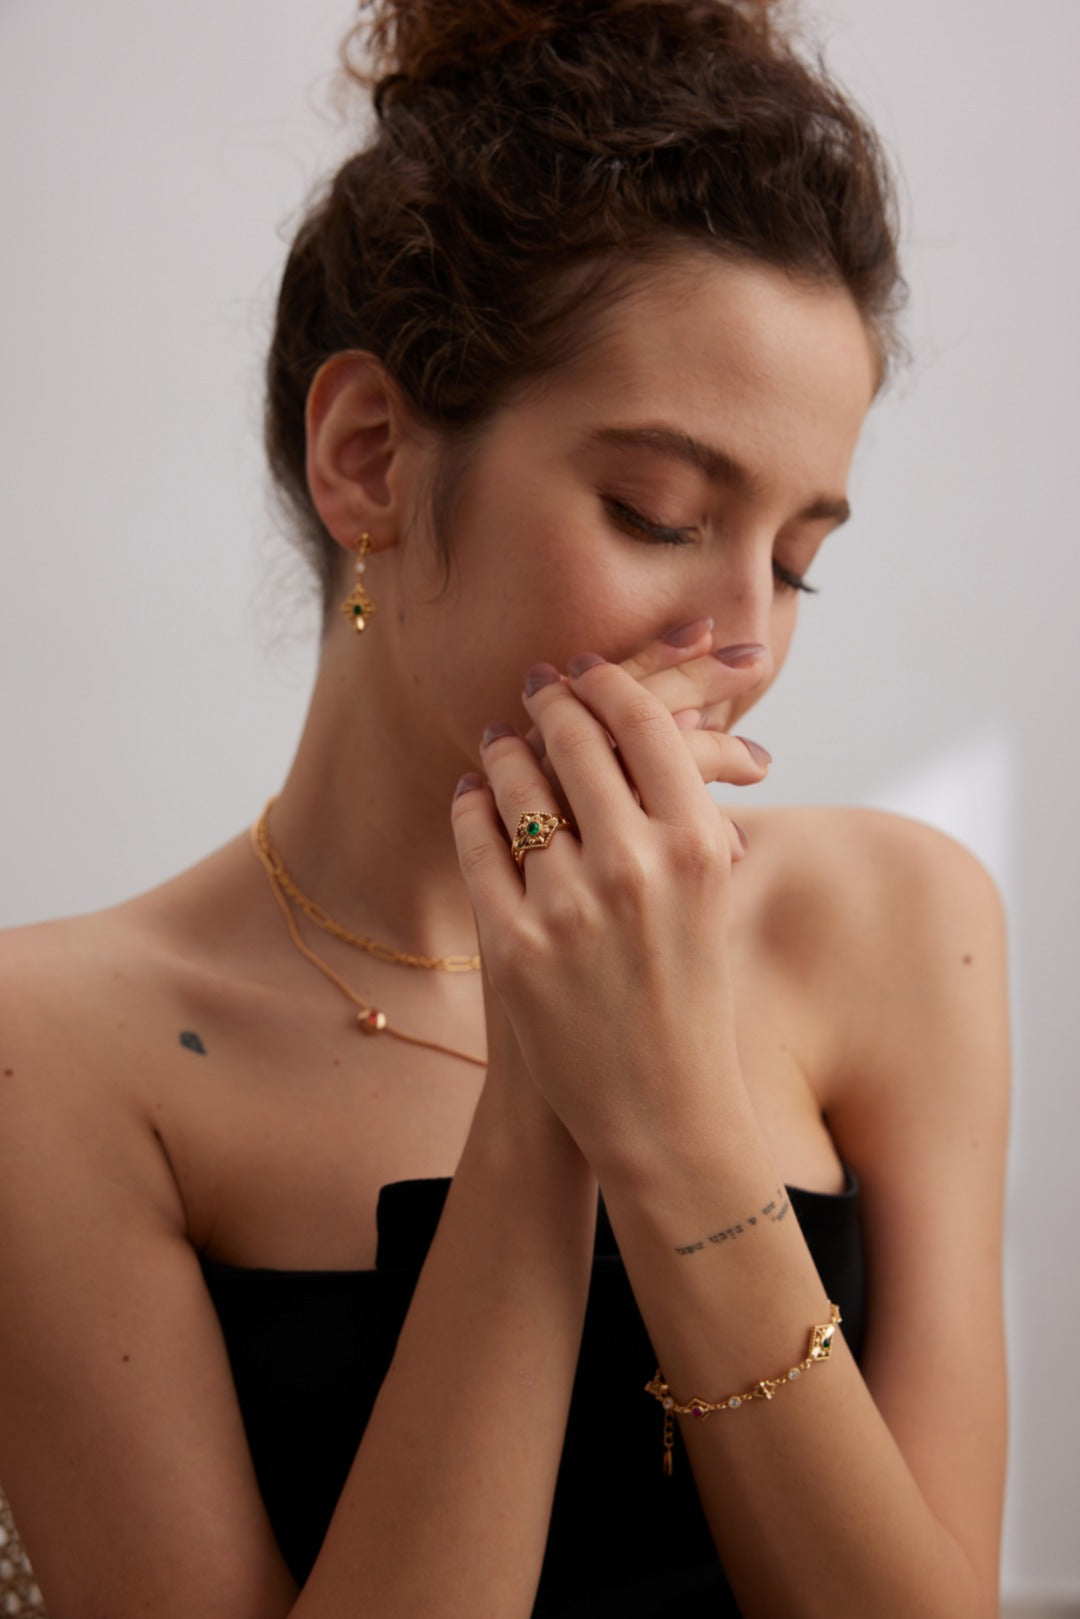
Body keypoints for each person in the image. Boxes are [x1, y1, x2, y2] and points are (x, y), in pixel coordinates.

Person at [0, 1, 1010, 1615]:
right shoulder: (48, 1053)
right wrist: (547, 1068)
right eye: (656, 512)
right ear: (371, 456)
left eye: (801, 558)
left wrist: (671, 1119)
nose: (743, 642)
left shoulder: (899, 924)